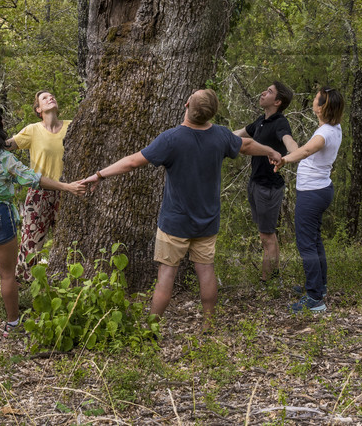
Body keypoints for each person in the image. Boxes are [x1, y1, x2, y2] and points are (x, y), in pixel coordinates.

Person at [84, 88, 281, 322]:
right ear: (212, 114)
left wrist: (99, 175)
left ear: (187, 105)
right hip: (207, 221)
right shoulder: (220, 135)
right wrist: (270, 150)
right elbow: (246, 145)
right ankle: (208, 323)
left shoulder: (171, 138)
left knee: (166, 274)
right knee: (205, 269)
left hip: (174, 223)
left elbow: (132, 162)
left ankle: (152, 326)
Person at [0, 106, 89, 341]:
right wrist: (66, 186)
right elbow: (34, 179)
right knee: (7, 275)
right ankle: (12, 323)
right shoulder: (5, 159)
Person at [273, 87, 344, 316]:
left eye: (316, 99)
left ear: (321, 107)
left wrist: (284, 159)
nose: (313, 100)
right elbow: (304, 150)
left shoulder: (324, 134)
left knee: (306, 244)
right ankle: (319, 288)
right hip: (319, 190)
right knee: (314, 241)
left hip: (312, 193)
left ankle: (314, 298)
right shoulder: (331, 128)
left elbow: (304, 152)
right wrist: (290, 145)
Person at [4, 89, 71, 278]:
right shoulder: (33, 130)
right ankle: (24, 284)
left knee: (66, 242)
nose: (51, 97)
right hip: (39, 192)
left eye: (52, 95)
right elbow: (7, 145)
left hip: (67, 192)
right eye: (45, 98)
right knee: (30, 243)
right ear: (38, 109)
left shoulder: (71, 126)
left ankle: (63, 282)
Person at [236, 81, 299, 280]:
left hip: (268, 188)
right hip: (255, 184)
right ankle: (272, 278)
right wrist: (209, 134)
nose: (263, 93)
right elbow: (236, 135)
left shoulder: (280, 122)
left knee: (267, 236)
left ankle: (268, 282)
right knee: (266, 235)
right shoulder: (260, 122)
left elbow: (289, 141)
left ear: (278, 101)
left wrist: (295, 153)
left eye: (269, 92)